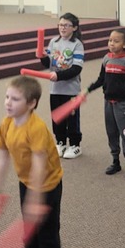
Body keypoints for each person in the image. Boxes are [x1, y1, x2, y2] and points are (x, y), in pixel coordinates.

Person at [0, 75, 66, 248]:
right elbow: (2, 157)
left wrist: (35, 197)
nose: (8, 103)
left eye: (16, 99)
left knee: (46, 233)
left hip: (47, 185)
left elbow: (39, 165)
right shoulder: (6, 123)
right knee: (29, 233)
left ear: (32, 103)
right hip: (26, 183)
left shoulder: (36, 127)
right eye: (7, 97)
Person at [85, 29, 125, 178]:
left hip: (122, 103)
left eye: (116, 41)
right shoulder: (106, 59)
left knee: (124, 133)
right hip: (108, 102)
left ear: (124, 44)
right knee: (111, 132)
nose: (112, 43)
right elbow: (101, 79)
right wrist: (87, 90)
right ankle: (115, 161)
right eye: (110, 40)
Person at [39, 12, 84, 158]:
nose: (62, 28)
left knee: (72, 119)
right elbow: (50, 64)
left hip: (71, 90)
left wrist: (59, 76)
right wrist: (42, 57)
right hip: (55, 89)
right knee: (57, 117)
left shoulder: (77, 44)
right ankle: (60, 142)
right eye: (60, 24)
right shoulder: (53, 42)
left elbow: (76, 68)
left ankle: (75, 145)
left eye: (66, 25)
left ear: (74, 27)